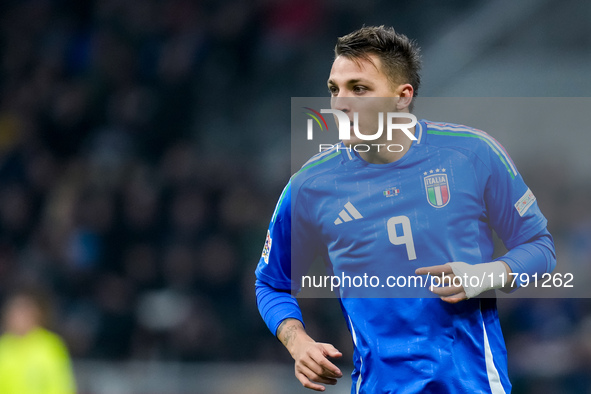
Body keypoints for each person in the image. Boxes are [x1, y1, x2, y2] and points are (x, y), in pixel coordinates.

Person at [255, 26, 556, 393]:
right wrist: (297, 341)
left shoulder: (472, 154)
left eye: (359, 89)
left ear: (402, 96)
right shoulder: (310, 187)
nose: (340, 103)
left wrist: (488, 274)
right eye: (335, 89)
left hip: (473, 385)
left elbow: (541, 248)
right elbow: (271, 283)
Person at [0, 289, 77, 394]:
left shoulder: (50, 346)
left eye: (23, 312)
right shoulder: (3, 346)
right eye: (14, 312)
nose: (18, 318)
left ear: (36, 316)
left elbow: (60, 386)